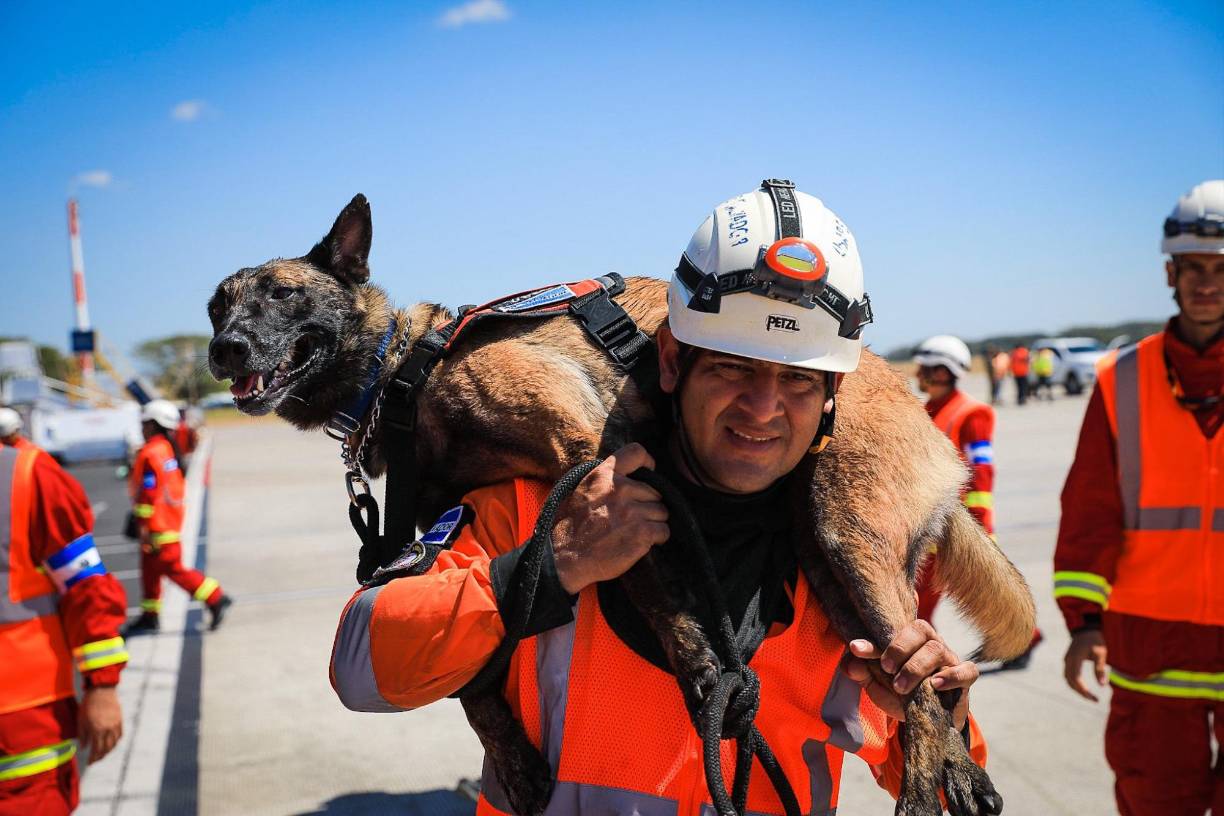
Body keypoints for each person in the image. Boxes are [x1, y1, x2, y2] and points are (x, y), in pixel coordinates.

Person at [330, 181, 988, 815]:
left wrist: (940, 710)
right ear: (672, 359)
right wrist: (551, 567)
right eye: (733, 365)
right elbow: (362, 666)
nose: (763, 408)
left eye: (798, 379)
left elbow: (930, 773)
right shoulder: (540, 513)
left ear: (831, 396)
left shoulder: (838, 572)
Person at [1054, 179, 1224, 815]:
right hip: (1152, 652)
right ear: (1169, 272)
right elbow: (1090, 511)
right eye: (1192, 269)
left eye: (1220, 269)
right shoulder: (1120, 380)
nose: (1206, 284)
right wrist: (1084, 623)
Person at [0, 429, 128, 814]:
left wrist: (102, 687)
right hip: (26, 714)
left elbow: (85, 588)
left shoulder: (25, 476)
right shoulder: (24, 473)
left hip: (20, 728)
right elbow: (86, 585)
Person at [911, 337, 1041, 668]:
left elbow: (981, 475)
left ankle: (1021, 639)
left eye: (924, 367)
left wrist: (980, 531)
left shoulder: (973, 413)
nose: (917, 373)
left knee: (925, 607)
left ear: (942, 371)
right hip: (931, 529)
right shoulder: (927, 410)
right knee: (919, 605)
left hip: (960, 531)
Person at [124, 400, 231, 634]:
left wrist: (144, 526)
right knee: (150, 572)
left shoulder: (151, 452)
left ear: (153, 425)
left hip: (157, 527)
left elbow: (149, 494)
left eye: (144, 423)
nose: (141, 428)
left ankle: (215, 597)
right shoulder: (165, 450)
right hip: (168, 522)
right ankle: (149, 616)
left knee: (173, 570)